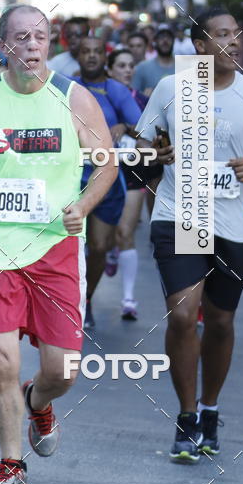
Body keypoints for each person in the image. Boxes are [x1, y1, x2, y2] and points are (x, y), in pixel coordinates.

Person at [0, 4, 117, 484]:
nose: (33, 45)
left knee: (63, 370)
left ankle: (38, 401)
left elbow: (106, 165)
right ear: (5, 46)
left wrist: (83, 205)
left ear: (49, 43)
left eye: (40, 36)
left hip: (56, 249)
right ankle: (10, 466)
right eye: (21, 37)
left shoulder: (74, 99)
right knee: (1, 361)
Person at [135, 7, 243, 463]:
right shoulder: (171, 88)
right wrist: (154, 153)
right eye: (222, 35)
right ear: (200, 47)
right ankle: (185, 417)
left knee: (220, 323)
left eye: (238, 35)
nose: (234, 42)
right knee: (184, 317)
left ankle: (210, 409)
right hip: (181, 213)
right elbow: (142, 145)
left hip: (234, 224)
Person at [75, 38, 142, 328]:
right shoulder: (67, 87)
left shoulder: (116, 90)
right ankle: (71, 301)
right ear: (78, 56)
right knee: (71, 246)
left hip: (106, 180)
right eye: (86, 52)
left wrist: (124, 126)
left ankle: (87, 297)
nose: (91, 56)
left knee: (100, 247)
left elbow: (143, 126)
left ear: (104, 57)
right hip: (70, 181)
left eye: (97, 52)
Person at [106, 48, 149, 319]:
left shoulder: (143, 101)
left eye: (131, 65)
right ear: (109, 70)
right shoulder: (97, 98)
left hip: (134, 175)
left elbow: (154, 134)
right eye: (121, 65)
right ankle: (107, 253)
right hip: (101, 173)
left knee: (125, 233)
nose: (127, 70)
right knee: (103, 237)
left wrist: (127, 126)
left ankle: (128, 299)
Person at [133, 25, 175, 96]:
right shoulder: (142, 67)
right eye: (161, 37)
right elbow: (133, 96)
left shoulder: (183, 66)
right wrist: (143, 97)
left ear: (173, 41)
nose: (165, 40)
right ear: (155, 41)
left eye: (168, 37)